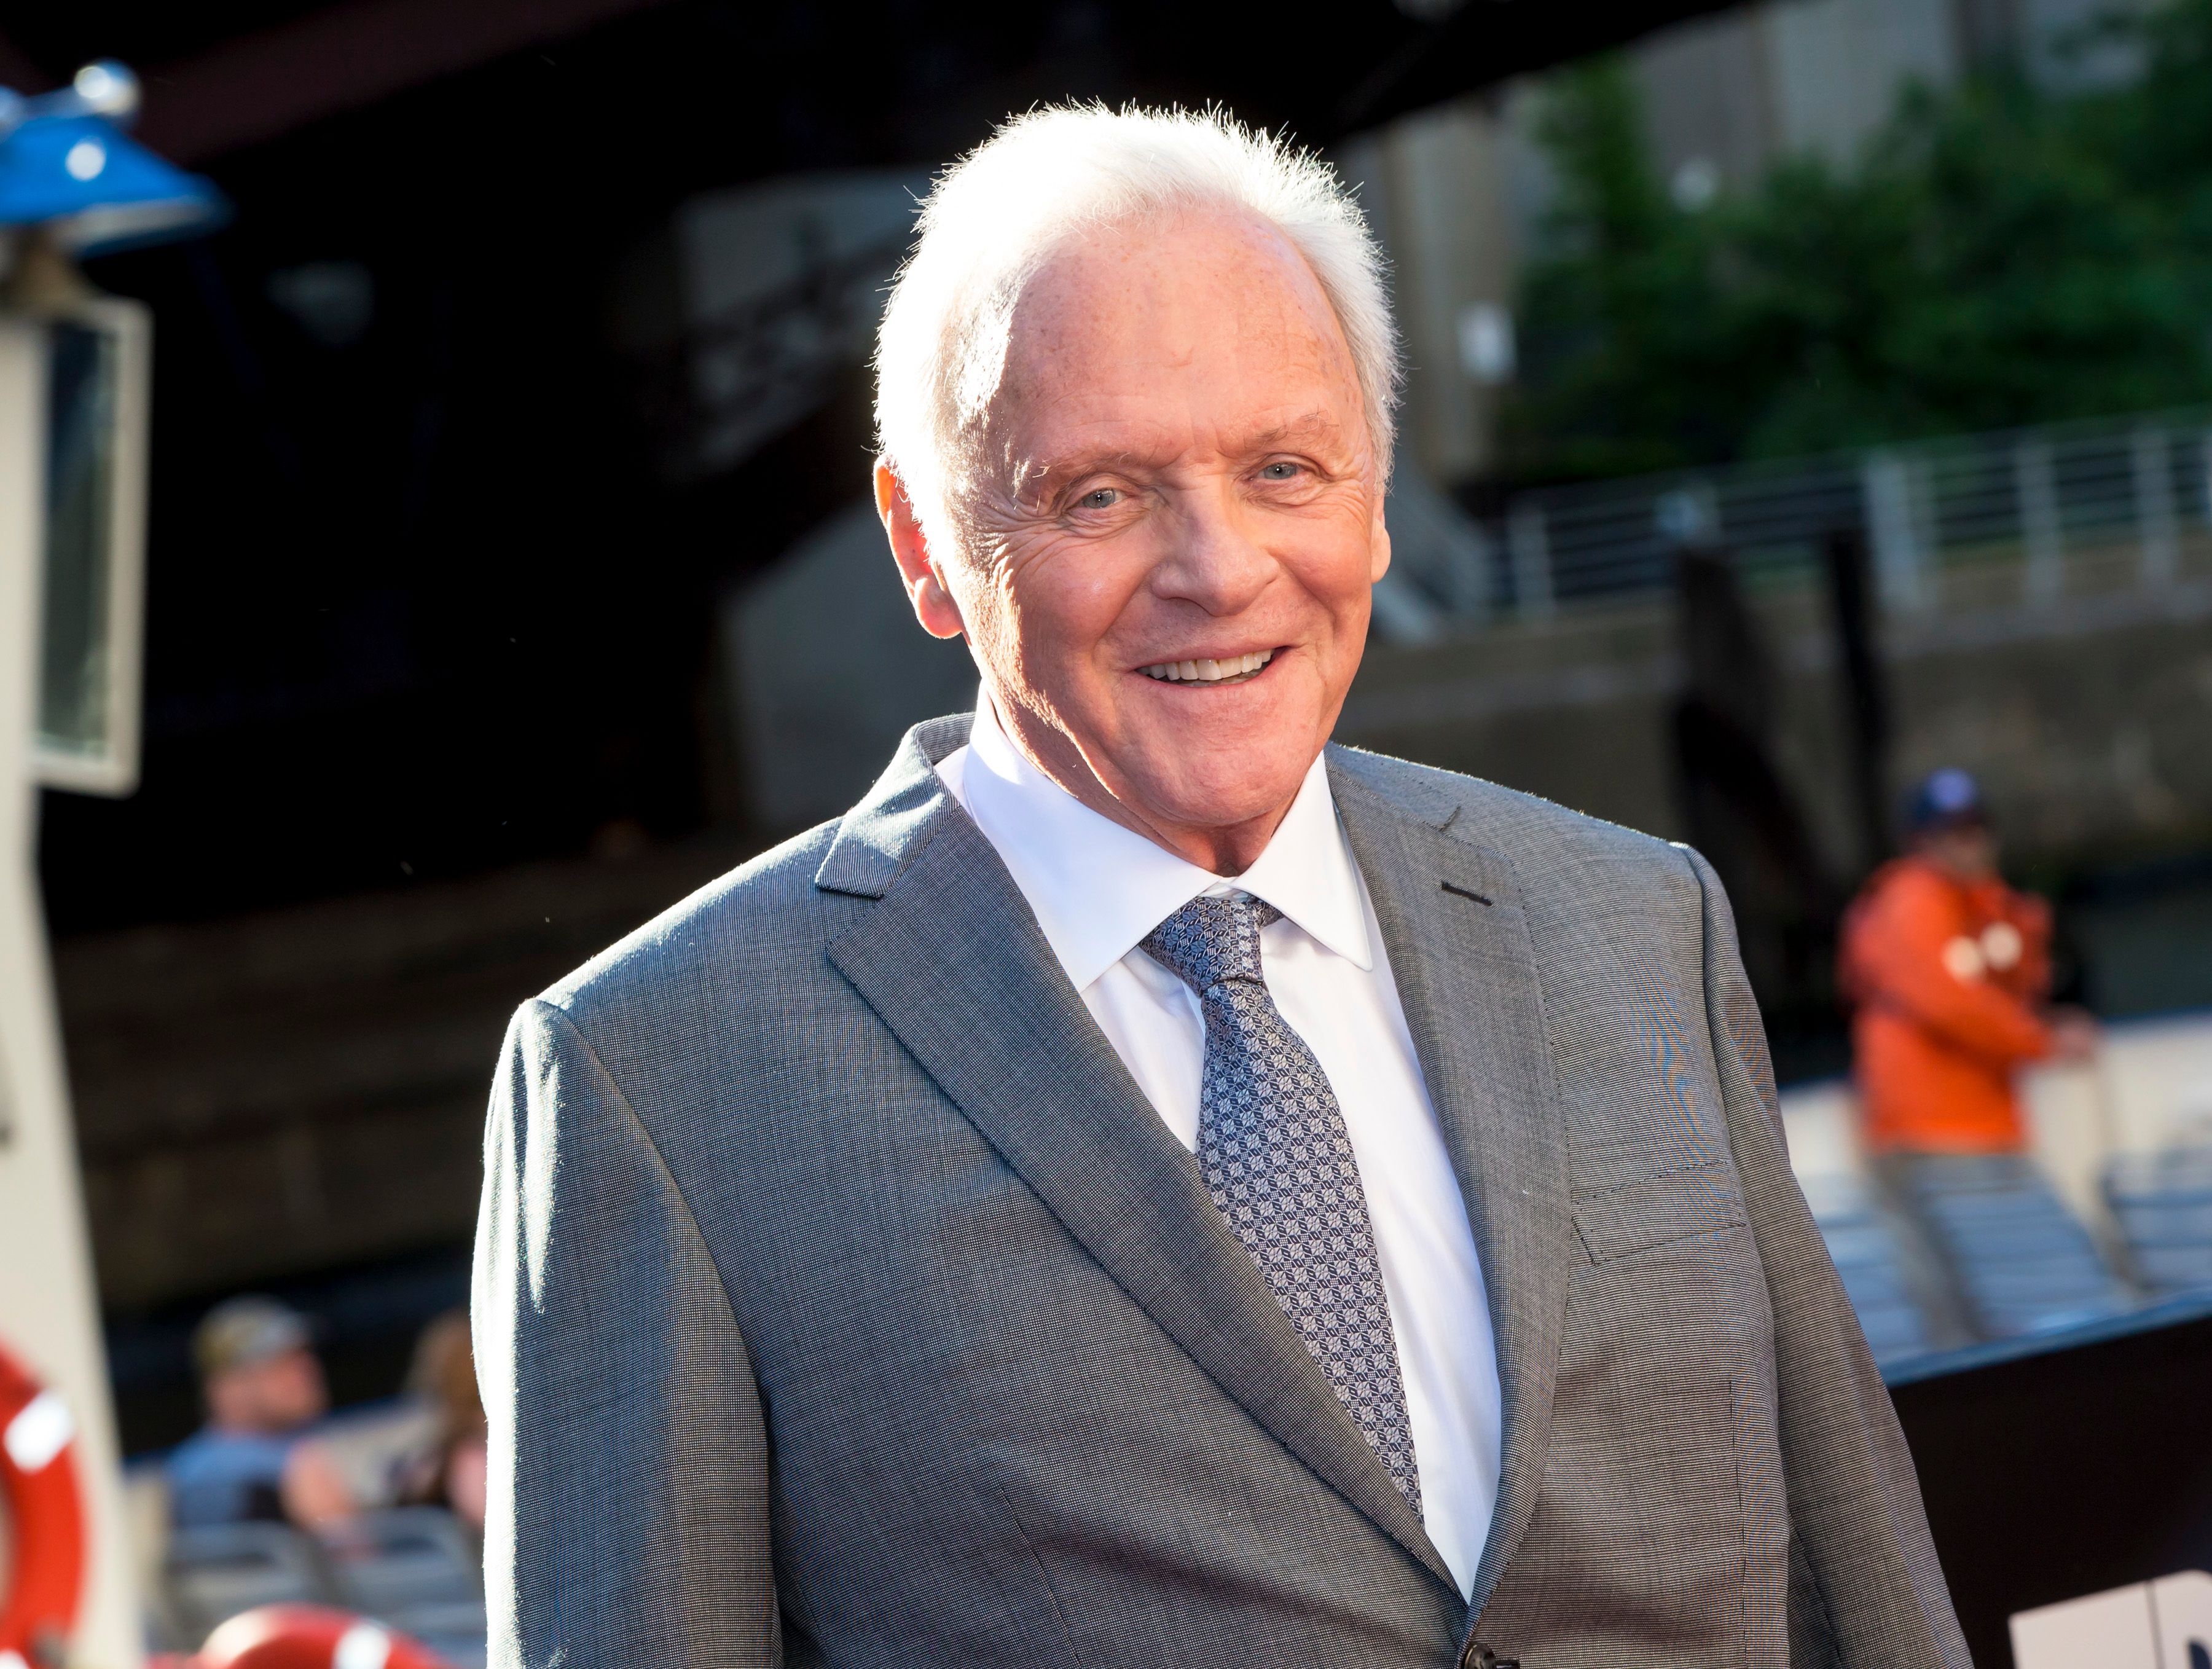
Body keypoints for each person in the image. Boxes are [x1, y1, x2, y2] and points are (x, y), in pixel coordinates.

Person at [476, 106, 1968, 1668]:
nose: (1220, 566)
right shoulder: (660, 1083)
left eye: (1282, 468)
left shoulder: (1636, 924)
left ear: (1377, 494)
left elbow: (1859, 1595)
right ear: (924, 546)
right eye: (1101, 496)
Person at [1840, 768, 2098, 1157]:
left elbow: (2024, 985)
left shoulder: (1985, 901)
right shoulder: (1912, 900)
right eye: (1951, 832)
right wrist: (2045, 1041)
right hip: (1934, 1123)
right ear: (1919, 842)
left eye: (1977, 827)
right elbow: (1952, 1002)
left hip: (1981, 1118)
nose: (1970, 842)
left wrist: (2023, 921)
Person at [167, 1297, 353, 1531]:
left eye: (303, 1356)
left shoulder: (289, 1447)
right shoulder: (210, 1473)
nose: (305, 1370)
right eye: (281, 1363)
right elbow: (353, 1557)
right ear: (228, 1385)